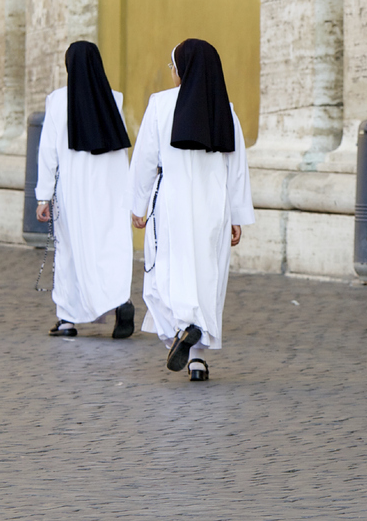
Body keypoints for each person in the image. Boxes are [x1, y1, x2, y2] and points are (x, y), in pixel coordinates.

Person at [128, 39, 255, 380]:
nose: (172, 73)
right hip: (214, 209)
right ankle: (197, 358)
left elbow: (145, 160)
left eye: (173, 67)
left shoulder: (160, 104)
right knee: (206, 276)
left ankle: (182, 328)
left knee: (166, 273)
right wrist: (238, 216)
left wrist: (137, 205)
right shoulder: (225, 110)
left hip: (171, 205)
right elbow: (237, 167)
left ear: (182, 70)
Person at [34, 42, 139, 339]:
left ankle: (67, 318)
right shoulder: (114, 99)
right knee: (110, 245)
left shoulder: (57, 101)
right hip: (111, 189)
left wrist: (43, 196)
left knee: (69, 250)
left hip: (73, 190)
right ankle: (120, 300)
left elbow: (48, 153)